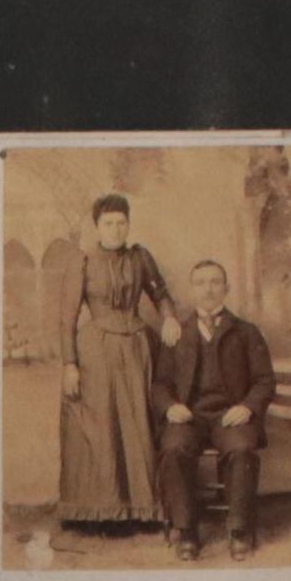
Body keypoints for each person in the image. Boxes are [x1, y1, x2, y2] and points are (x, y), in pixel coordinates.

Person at [57, 193, 181, 528]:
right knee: (102, 426)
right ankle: (102, 512)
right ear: (97, 227)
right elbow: (66, 318)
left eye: (121, 222)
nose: (115, 229)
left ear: (129, 224)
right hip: (94, 353)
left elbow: (161, 294)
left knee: (139, 423)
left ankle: (142, 510)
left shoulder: (141, 257)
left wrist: (169, 317)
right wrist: (70, 364)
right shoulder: (82, 261)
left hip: (138, 348)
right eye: (108, 223)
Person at [152, 259, 274, 561]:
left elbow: (264, 380)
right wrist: (170, 407)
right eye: (201, 283)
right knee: (173, 447)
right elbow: (160, 384)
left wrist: (247, 407)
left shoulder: (246, 332)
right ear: (192, 289)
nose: (208, 289)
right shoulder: (177, 331)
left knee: (243, 448)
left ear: (226, 288)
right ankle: (187, 530)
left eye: (215, 282)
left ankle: (238, 530)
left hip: (230, 416)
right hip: (190, 416)